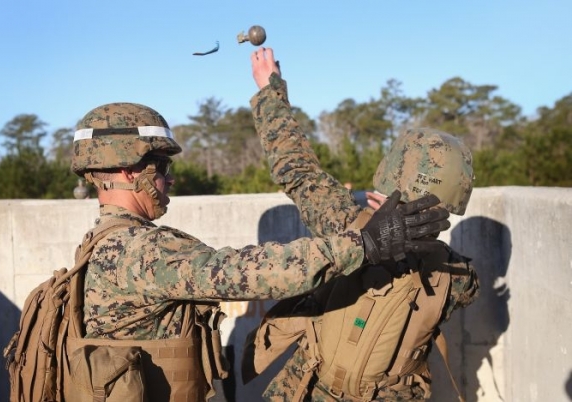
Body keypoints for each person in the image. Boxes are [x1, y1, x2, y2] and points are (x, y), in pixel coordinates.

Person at [69, 101, 451, 401]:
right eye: (162, 166)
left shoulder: (105, 242)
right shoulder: (138, 250)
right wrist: (365, 245)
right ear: (128, 170)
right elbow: (247, 272)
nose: (169, 179)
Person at [245, 47, 480, 401]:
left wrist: (270, 88)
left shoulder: (345, 224)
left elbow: (296, 168)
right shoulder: (458, 278)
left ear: (384, 187)